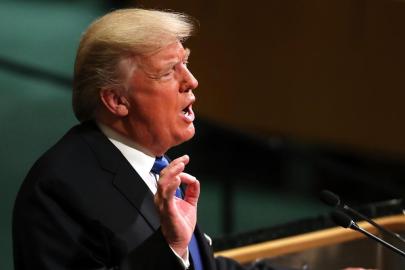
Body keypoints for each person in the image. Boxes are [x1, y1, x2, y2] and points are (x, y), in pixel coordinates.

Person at [12, 8, 247, 270]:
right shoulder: (57, 190)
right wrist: (170, 248)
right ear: (116, 100)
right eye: (169, 71)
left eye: (186, 64)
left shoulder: (154, 161)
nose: (191, 81)